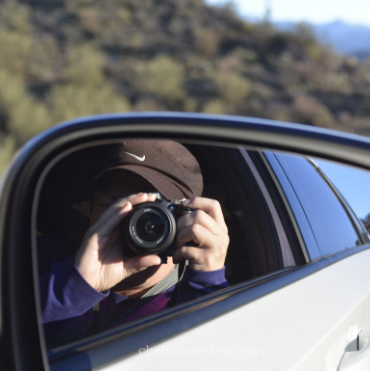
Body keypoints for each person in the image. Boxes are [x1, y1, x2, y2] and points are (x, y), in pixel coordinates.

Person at [37, 140, 230, 344]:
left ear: (189, 221)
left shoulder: (194, 293)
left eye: (153, 211)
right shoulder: (40, 258)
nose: (130, 220)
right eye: (112, 205)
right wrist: (72, 286)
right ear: (90, 211)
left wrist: (207, 283)